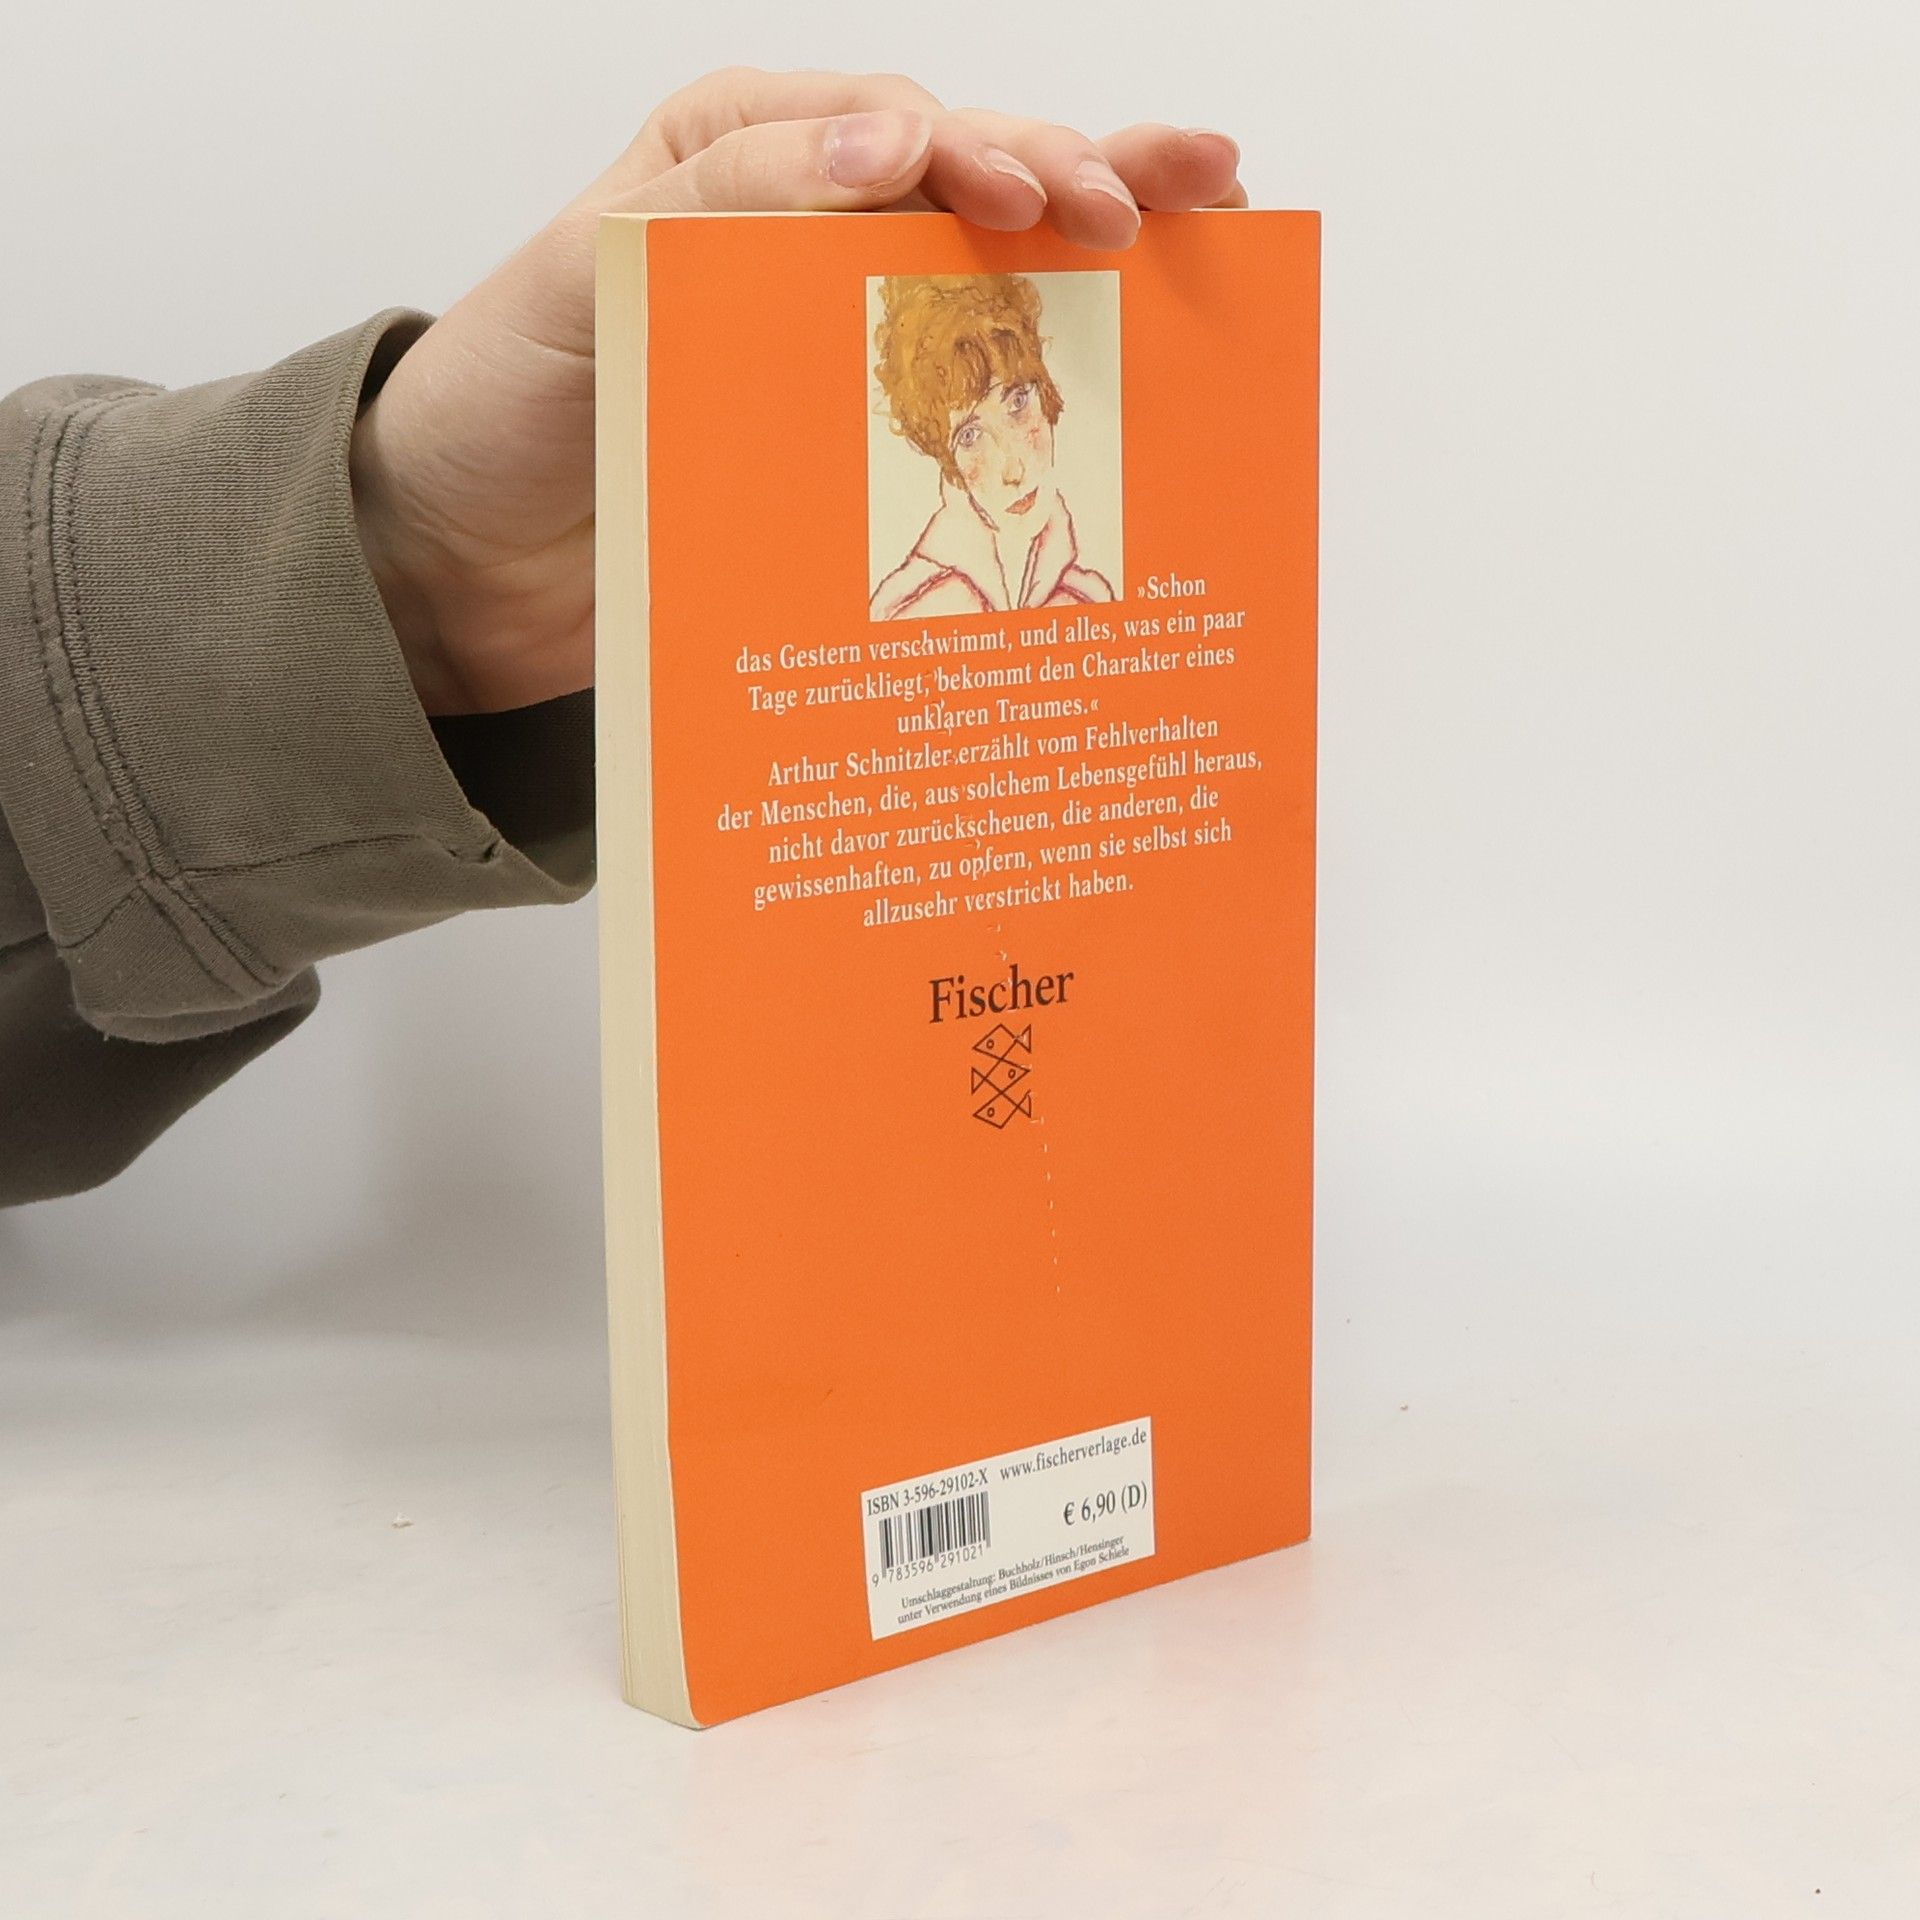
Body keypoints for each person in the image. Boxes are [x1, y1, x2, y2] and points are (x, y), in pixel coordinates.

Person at [0, 68, 1245, 1209]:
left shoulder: (1098, 594)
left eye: (1022, 402)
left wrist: (418, 569)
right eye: (971, 431)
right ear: (941, 457)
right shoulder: (923, 600)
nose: (1014, 451)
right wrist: (407, 567)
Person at [868, 272, 1117, 619]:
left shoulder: (1088, 599)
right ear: (948, 462)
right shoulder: (913, 611)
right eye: (970, 436)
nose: (1014, 468)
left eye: (1018, 402)